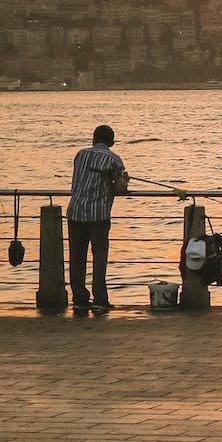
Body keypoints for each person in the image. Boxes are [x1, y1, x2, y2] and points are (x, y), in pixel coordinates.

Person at [65, 123, 129, 315]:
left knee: (77, 257)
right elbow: (119, 189)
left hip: (75, 212)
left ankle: (79, 299)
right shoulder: (114, 160)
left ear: (93, 139)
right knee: (99, 257)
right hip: (98, 215)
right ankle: (100, 299)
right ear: (112, 142)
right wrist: (124, 179)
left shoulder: (80, 155)